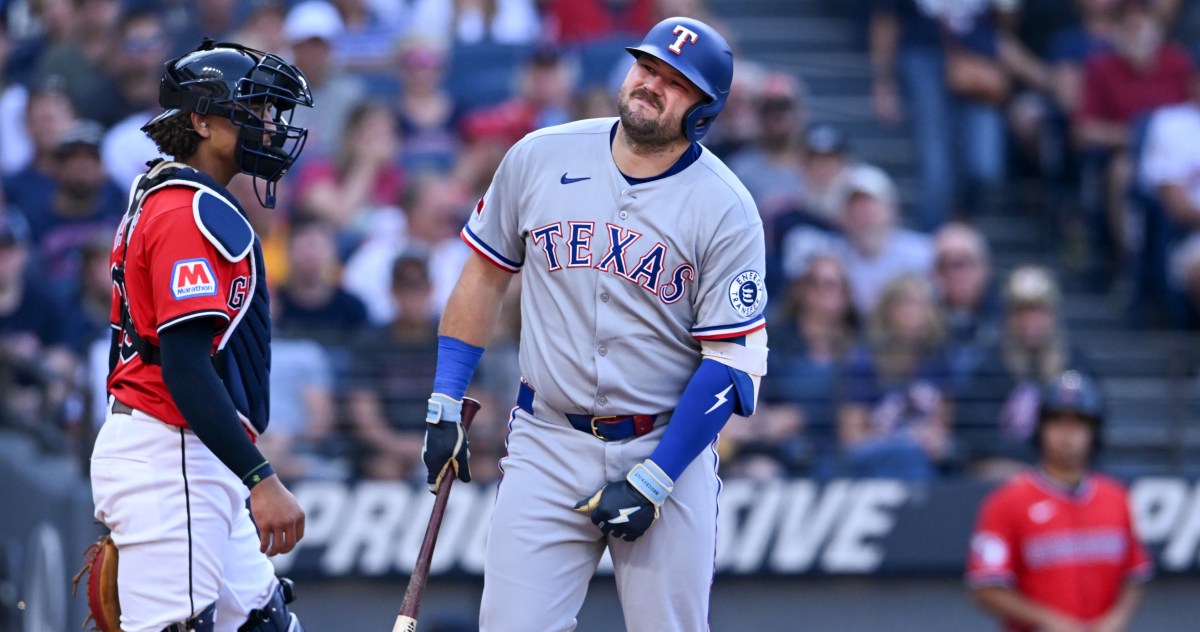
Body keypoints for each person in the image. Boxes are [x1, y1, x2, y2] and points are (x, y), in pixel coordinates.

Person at [421, 17, 766, 631]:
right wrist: (446, 398)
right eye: (647, 67)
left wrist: (657, 478)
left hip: (666, 442)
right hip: (547, 439)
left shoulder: (727, 207)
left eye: (676, 82)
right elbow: (483, 276)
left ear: (705, 110)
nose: (651, 84)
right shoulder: (540, 155)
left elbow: (732, 363)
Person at [89, 40, 313, 631]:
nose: (271, 125)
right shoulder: (183, 212)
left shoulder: (175, 196)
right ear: (203, 121)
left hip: (188, 449)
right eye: (254, 109)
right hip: (170, 451)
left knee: (262, 620)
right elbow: (185, 365)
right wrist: (261, 477)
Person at [967, 370, 1152, 632]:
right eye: (1057, 422)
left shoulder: (1116, 497)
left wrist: (1117, 619)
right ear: (1041, 428)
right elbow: (985, 586)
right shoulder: (1007, 501)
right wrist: (1048, 620)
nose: (1067, 434)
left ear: (1094, 430)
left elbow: (1135, 572)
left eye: (1078, 423)